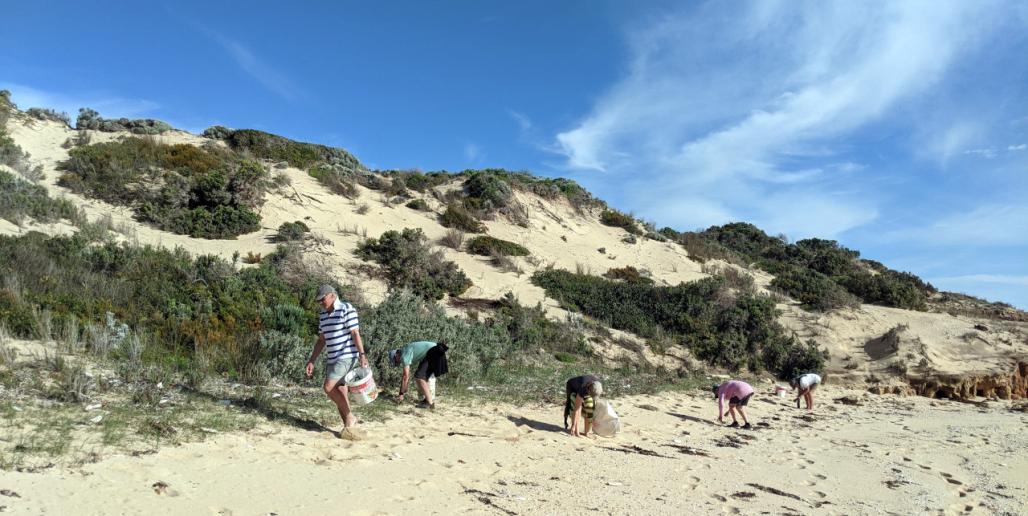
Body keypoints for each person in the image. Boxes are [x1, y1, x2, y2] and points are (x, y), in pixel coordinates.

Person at [305, 284, 368, 439]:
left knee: (328, 387)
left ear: (332, 295)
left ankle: (350, 417)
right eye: (318, 300)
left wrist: (362, 354)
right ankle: (349, 429)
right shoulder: (323, 315)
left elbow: (355, 333)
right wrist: (312, 360)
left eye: (322, 299)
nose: (320, 302)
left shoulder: (347, 309)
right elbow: (321, 340)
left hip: (346, 356)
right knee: (340, 392)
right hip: (332, 357)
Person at [389, 340, 449, 409]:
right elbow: (406, 377)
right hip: (436, 350)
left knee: (419, 377)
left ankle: (430, 404)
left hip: (434, 351)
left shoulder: (404, 356)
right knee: (421, 377)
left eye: (395, 360)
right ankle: (427, 400)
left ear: (396, 355)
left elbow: (406, 376)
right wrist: (403, 391)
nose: (397, 363)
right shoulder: (405, 350)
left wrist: (401, 394)